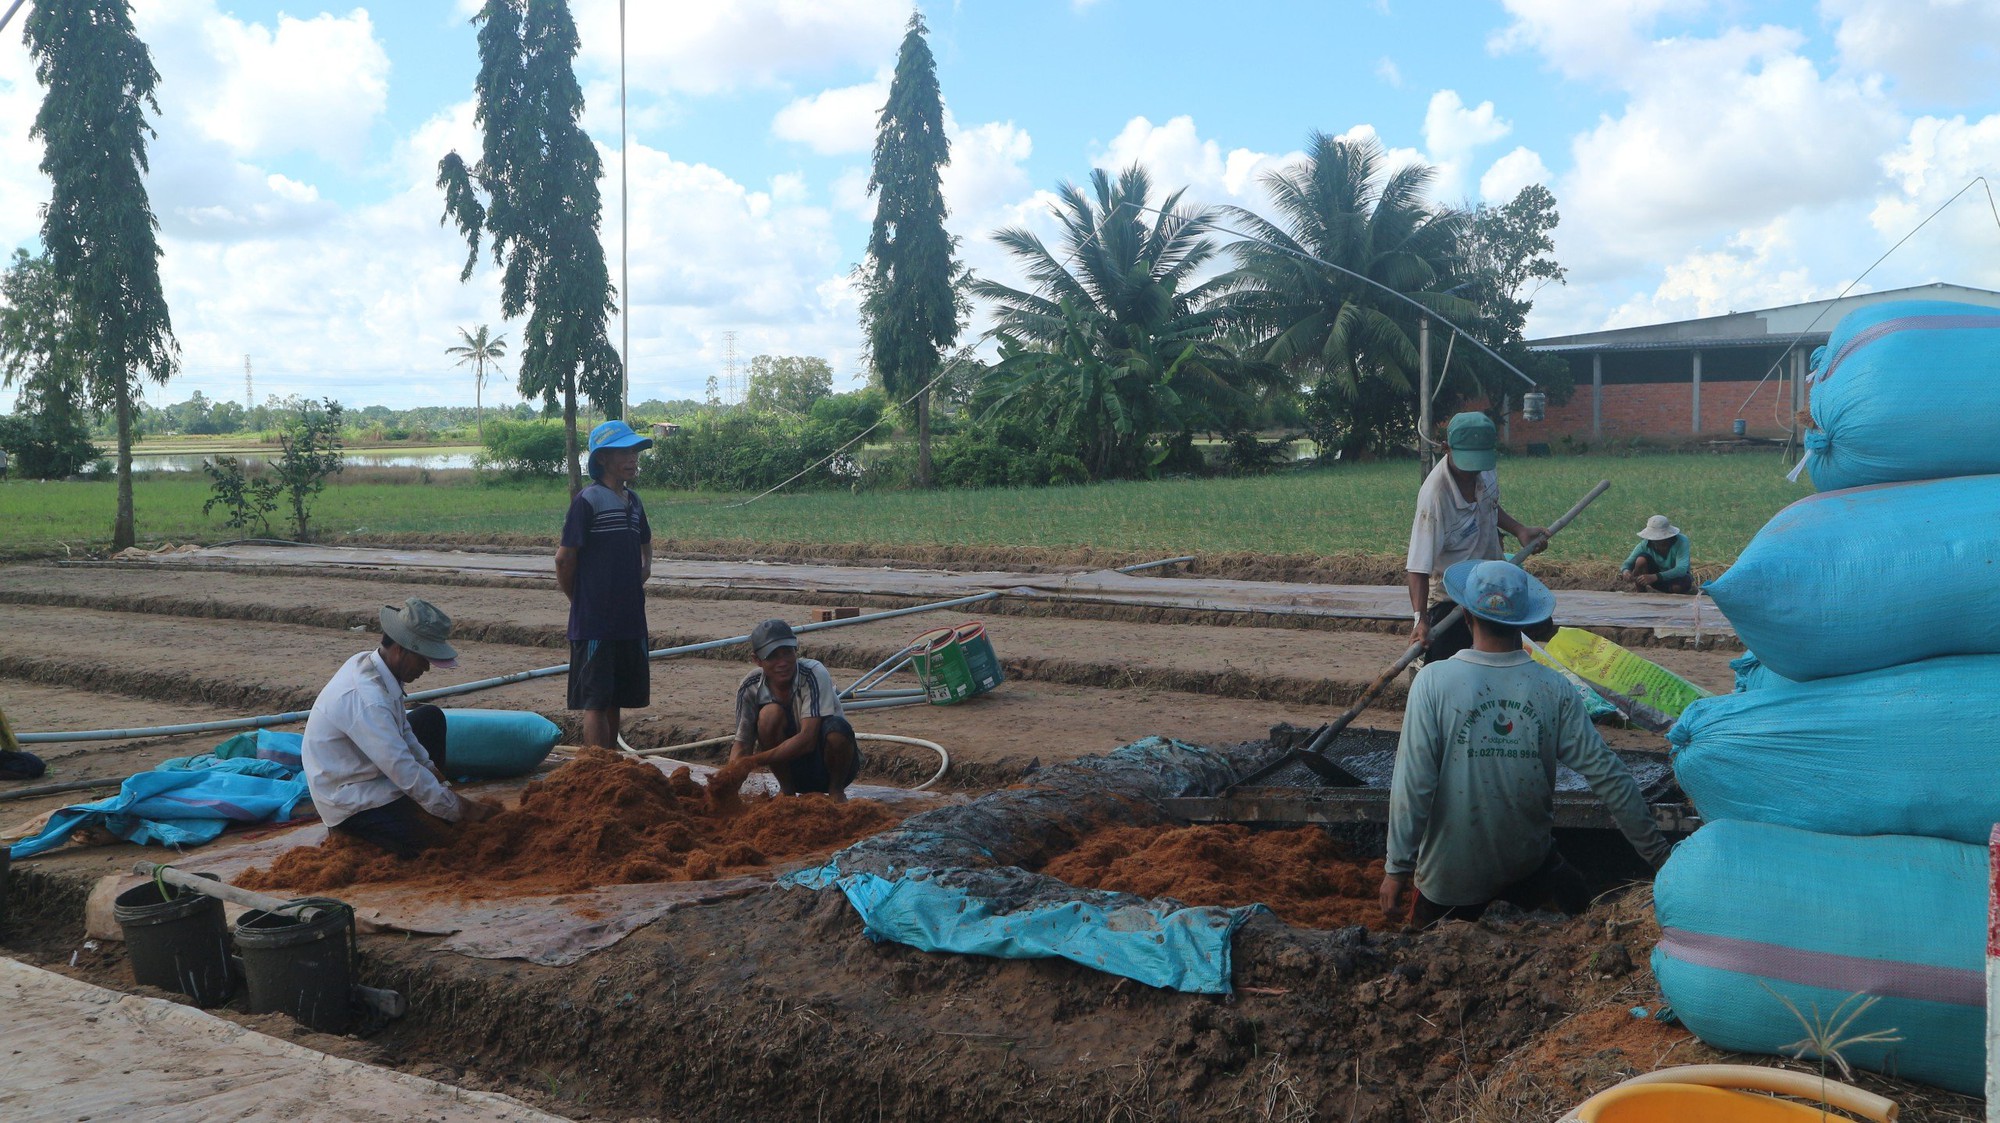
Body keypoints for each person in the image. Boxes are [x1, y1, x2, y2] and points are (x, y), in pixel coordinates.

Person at [1379, 560, 1671, 929]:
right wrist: (1660, 856)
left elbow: (1412, 785)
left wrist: (1397, 868)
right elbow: (1611, 777)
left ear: (1465, 614)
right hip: (1527, 874)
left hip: (1450, 885)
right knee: (1575, 899)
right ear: (1524, 622)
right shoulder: (1553, 687)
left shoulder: (1433, 682)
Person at [301, 597, 492, 858]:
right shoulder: (368, 700)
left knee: (429, 718)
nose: (426, 668)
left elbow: (404, 733)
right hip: (351, 797)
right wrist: (463, 810)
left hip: (372, 767)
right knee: (442, 847)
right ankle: (355, 833)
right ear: (402, 649)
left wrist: (433, 772)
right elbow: (402, 768)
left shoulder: (373, 665)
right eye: (424, 659)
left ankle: (429, 807)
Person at [1407, 412, 1549, 664]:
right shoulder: (1435, 497)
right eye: (1467, 463)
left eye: (1479, 462)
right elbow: (1418, 566)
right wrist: (1420, 619)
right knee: (1446, 666)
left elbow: (1490, 506)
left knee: (1510, 658)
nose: (1473, 471)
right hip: (1452, 595)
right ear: (1446, 448)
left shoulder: (1485, 468)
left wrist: (1519, 530)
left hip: (1491, 584)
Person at [557, 419, 654, 750]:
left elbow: (646, 544)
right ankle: (597, 769)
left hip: (629, 620)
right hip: (595, 622)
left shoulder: (634, 501)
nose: (633, 458)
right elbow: (563, 559)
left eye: (634, 452)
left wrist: (644, 570)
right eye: (624, 452)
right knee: (596, 700)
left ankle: (612, 768)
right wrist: (581, 600)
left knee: (616, 697)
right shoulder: (588, 501)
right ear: (602, 459)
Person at [725, 618, 860, 801]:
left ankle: (836, 792)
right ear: (757, 660)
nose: (783, 662)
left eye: (787, 653)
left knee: (837, 729)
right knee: (768, 716)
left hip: (829, 766)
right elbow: (742, 744)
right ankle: (787, 791)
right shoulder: (749, 687)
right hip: (791, 771)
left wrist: (754, 761)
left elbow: (807, 740)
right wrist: (728, 784)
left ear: (795, 651)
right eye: (773, 656)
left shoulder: (813, 673)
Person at [1620, 515, 1694, 594]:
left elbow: (1681, 569)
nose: (1657, 541)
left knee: (1677, 587)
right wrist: (1626, 571)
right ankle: (1641, 593)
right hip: (1654, 580)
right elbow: (1628, 563)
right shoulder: (1646, 544)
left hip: (1675, 579)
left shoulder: (1681, 541)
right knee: (1641, 560)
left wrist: (1656, 577)